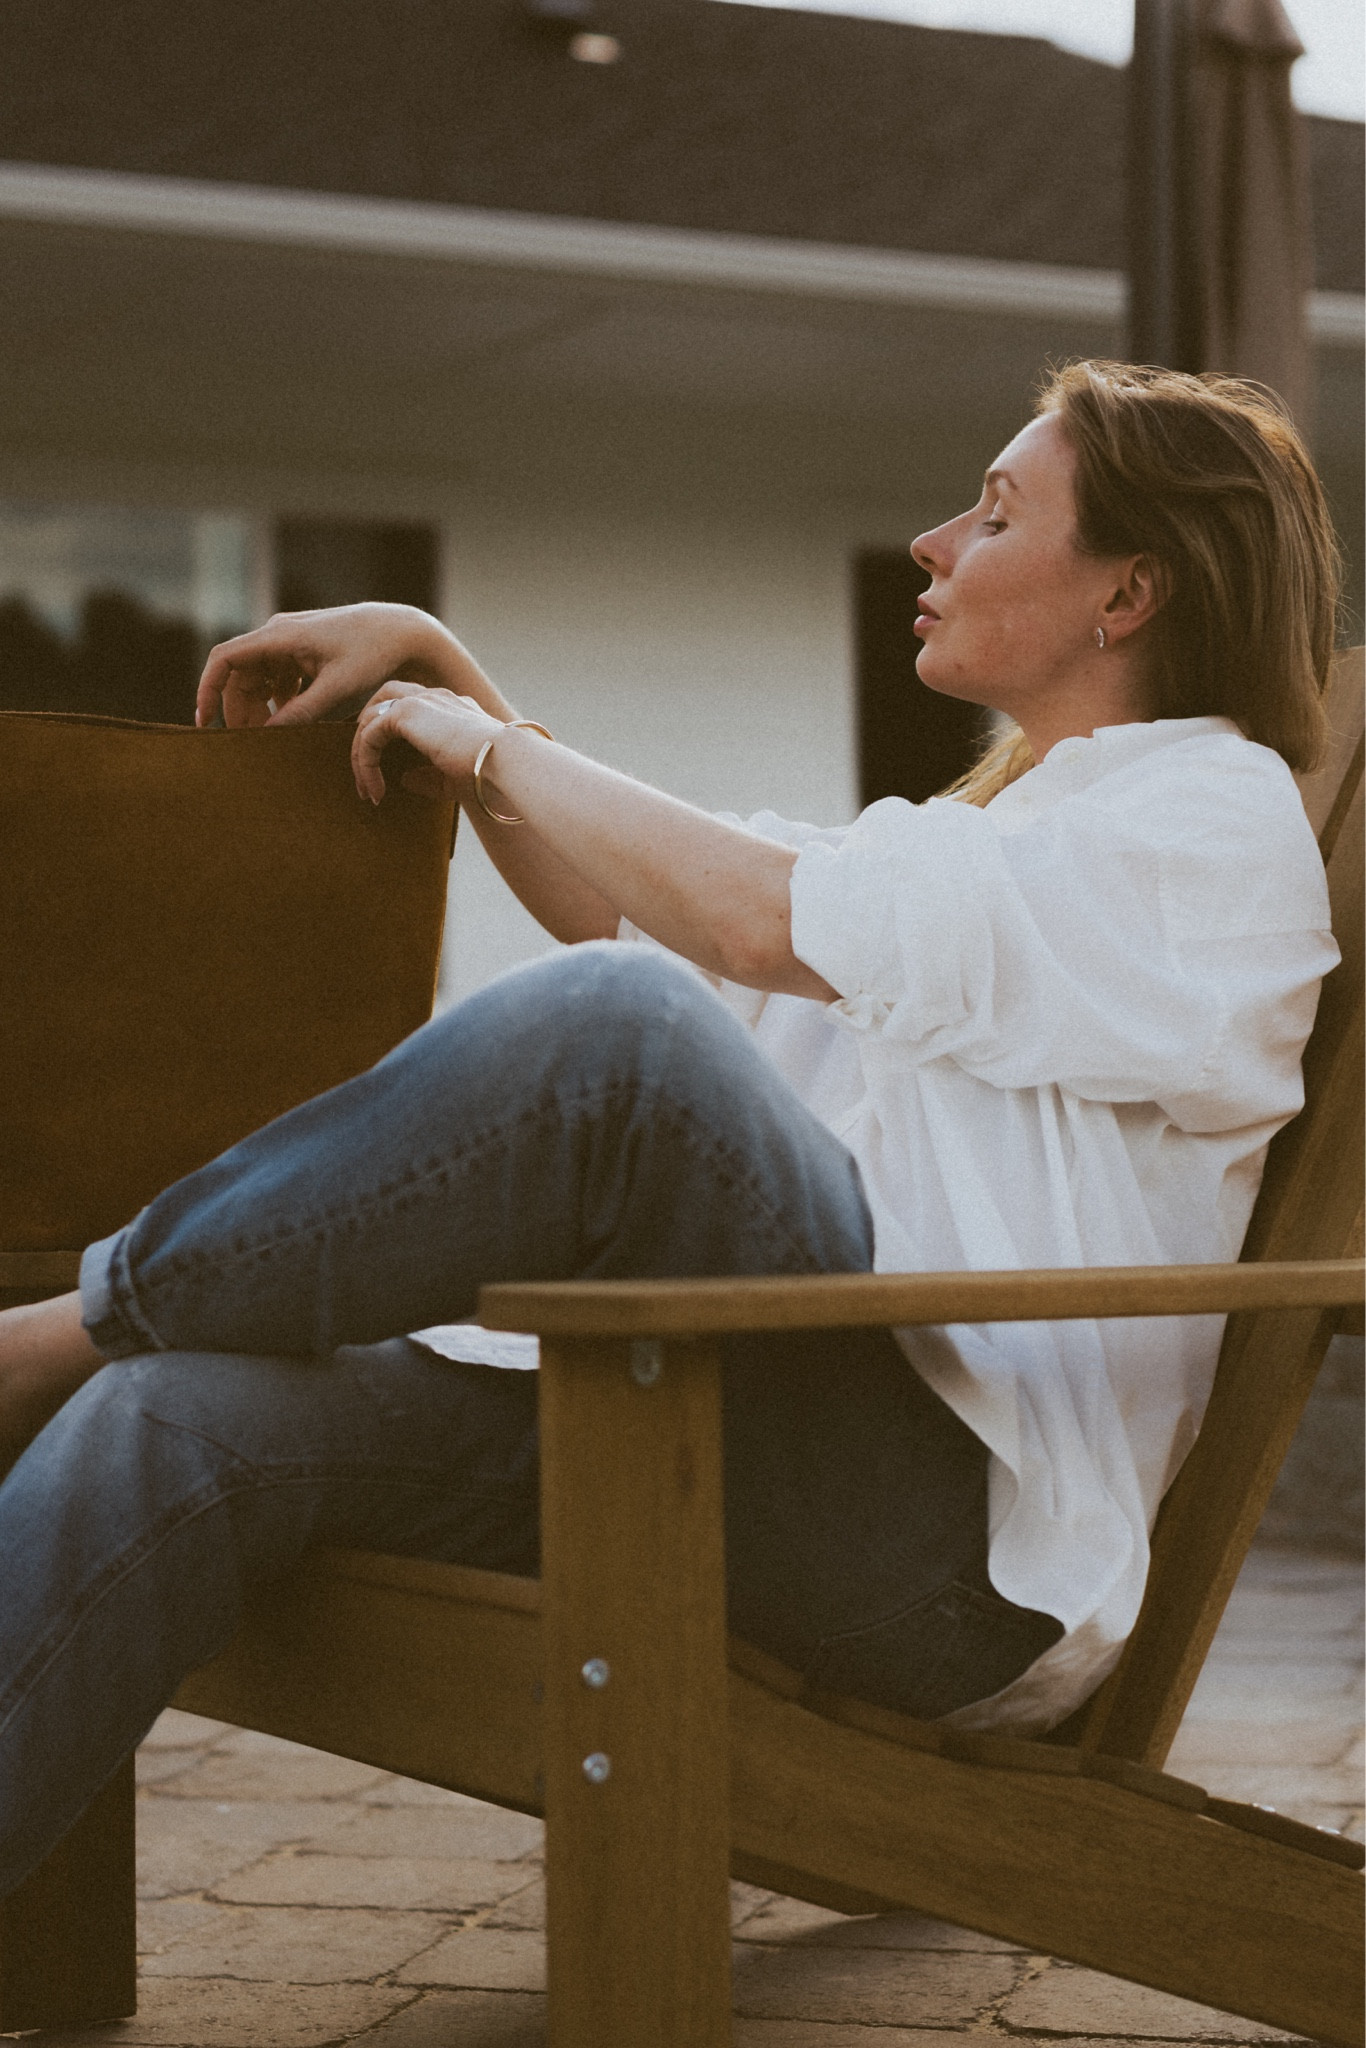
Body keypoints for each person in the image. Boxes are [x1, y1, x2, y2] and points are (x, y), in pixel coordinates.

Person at [0, 361, 1341, 1893]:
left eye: (991, 513)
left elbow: (724, 946)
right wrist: (451, 677)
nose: (929, 544)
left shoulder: (1199, 828)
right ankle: (99, 1352)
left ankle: (54, 1332)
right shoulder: (1000, 837)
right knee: (176, 1420)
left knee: (621, 1043)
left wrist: (482, 742)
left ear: (1128, 594)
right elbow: (654, 920)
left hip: (952, 1560)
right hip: (734, 1449)